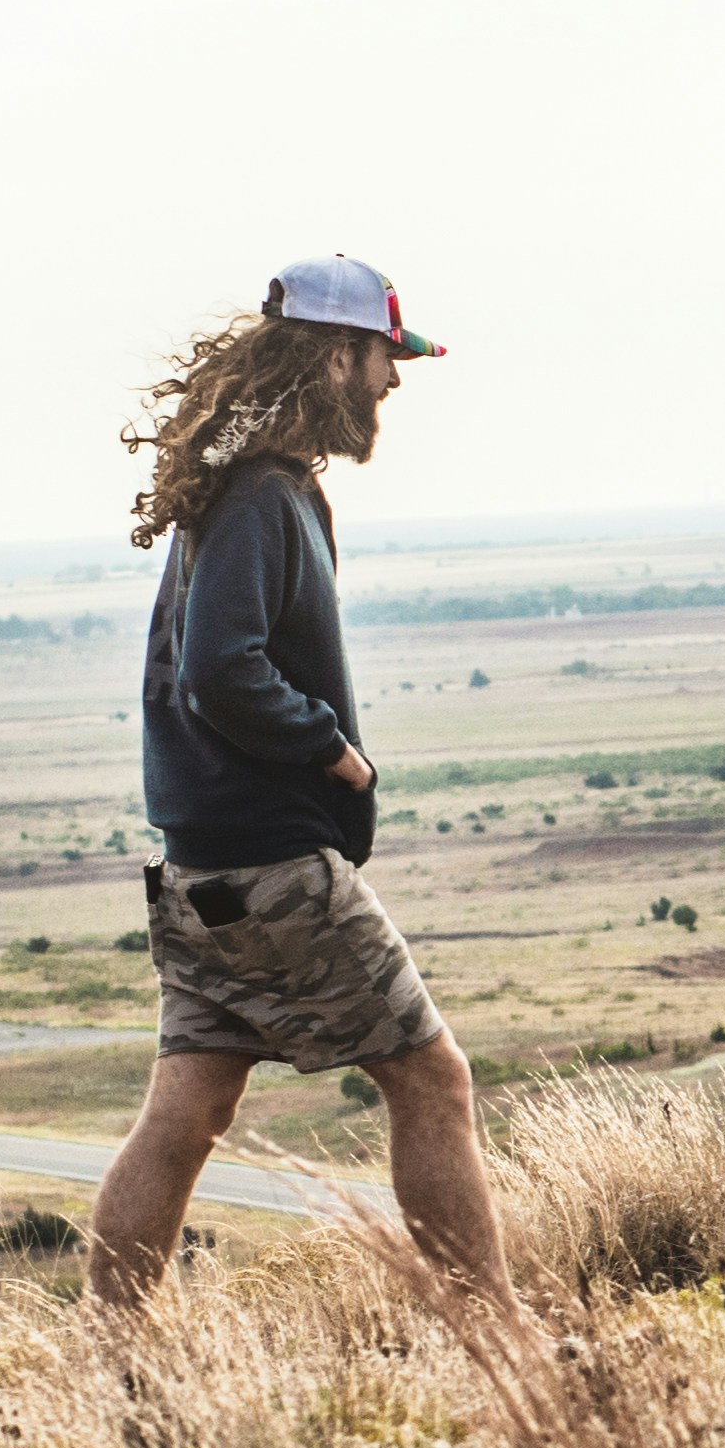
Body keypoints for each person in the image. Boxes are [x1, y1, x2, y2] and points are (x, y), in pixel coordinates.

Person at [86, 257, 509, 1309]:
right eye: (383, 358)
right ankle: (501, 1337)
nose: (392, 384)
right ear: (335, 354)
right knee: (432, 1079)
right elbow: (222, 666)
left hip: (200, 873)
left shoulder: (243, 486)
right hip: (272, 867)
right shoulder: (265, 495)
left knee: (184, 1120)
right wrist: (335, 752)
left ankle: (112, 1350)